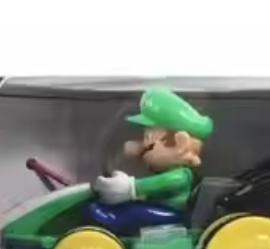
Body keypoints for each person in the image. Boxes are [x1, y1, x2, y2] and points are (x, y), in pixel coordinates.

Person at [86, 88, 213, 235]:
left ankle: (113, 219)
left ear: (178, 144)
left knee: (136, 211)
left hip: (172, 215)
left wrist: (130, 187)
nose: (143, 149)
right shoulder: (173, 171)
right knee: (137, 206)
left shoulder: (181, 176)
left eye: (148, 142)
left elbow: (153, 185)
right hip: (160, 207)